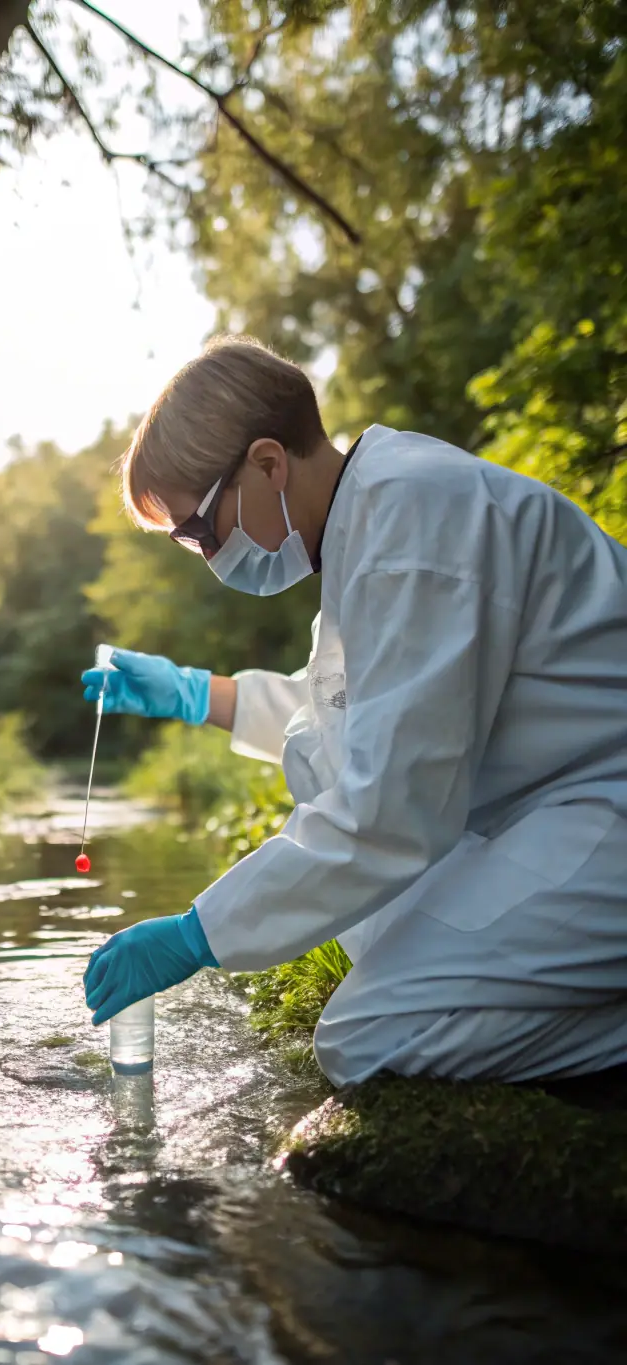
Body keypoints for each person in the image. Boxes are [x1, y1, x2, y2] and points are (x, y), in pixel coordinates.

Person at [81, 335, 627, 1087]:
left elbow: (389, 808)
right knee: (376, 928)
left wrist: (196, 934)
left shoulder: (411, 528)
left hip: (606, 811)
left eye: (200, 529)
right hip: (564, 805)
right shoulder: (369, 523)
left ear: (268, 463)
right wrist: (193, 692)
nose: (205, 558)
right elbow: (338, 724)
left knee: (368, 1036)